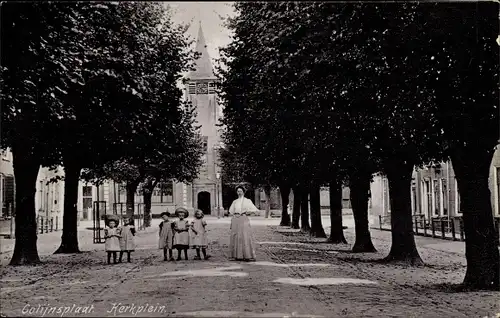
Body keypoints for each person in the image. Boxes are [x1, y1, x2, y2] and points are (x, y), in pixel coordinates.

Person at [228, 185, 258, 261]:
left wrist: (247, 212)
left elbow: (255, 210)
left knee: (245, 236)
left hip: (244, 219)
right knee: (236, 236)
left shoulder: (248, 201)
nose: (239, 193)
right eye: (238, 191)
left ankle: (247, 255)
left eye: (240, 191)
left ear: (244, 192)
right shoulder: (235, 201)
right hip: (236, 219)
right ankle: (237, 255)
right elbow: (231, 211)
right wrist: (234, 215)